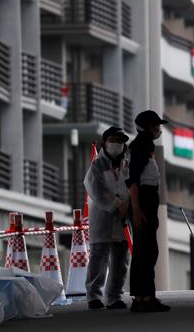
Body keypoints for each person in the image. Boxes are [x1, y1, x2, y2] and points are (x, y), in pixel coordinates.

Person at [127, 110, 171, 312]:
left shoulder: (144, 145)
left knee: (144, 250)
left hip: (146, 200)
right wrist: (136, 208)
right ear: (146, 128)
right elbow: (133, 180)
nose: (159, 129)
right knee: (147, 250)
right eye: (155, 126)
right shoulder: (141, 146)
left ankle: (141, 297)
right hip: (143, 200)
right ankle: (145, 297)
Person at [84, 126, 131, 310]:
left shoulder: (128, 163)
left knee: (121, 259)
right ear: (104, 142)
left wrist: (127, 205)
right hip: (102, 216)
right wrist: (116, 204)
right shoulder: (97, 164)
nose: (116, 144)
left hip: (124, 216)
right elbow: (96, 190)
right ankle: (93, 295)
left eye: (120, 141)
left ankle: (114, 296)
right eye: (113, 140)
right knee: (98, 257)